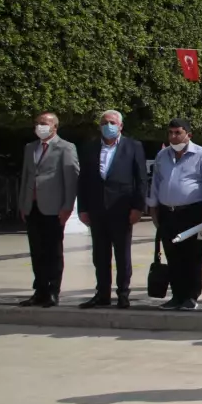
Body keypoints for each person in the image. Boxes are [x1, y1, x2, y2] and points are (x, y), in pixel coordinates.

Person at [77, 110, 147, 310]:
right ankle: (102, 293)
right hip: (97, 209)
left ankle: (123, 294)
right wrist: (82, 208)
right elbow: (83, 180)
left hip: (122, 209)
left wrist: (138, 207)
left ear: (121, 126)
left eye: (113, 122)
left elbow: (141, 179)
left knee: (122, 254)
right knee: (100, 255)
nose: (109, 126)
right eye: (105, 122)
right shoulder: (90, 148)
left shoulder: (133, 147)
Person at [147, 119, 202, 311]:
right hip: (167, 212)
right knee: (173, 255)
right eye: (170, 132)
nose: (173, 136)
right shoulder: (162, 155)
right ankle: (177, 296)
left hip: (193, 212)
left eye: (178, 132)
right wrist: (153, 208)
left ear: (188, 134)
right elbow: (156, 182)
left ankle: (191, 296)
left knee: (193, 256)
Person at [17, 112, 79, 308]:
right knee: (37, 251)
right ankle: (40, 290)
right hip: (32, 206)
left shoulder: (66, 148)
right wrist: (23, 204)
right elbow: (26, 177)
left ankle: (53, 290)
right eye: (37, 123)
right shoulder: (30, 148)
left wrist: (68, 206)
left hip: (53, 208)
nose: (39, 127)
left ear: (55, 127)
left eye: (44, 124)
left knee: (53, 251)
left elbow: (71, 179)